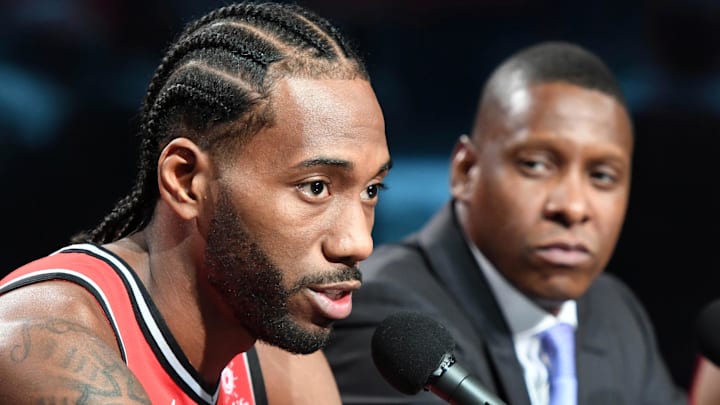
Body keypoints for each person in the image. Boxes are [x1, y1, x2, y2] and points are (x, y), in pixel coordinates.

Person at [0, 2, 391, 404]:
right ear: (186, 181)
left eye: (371, 190)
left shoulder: (276, 354)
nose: (358, 243)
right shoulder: (42, 344)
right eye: (315, 187)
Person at [325, 41, 687, 405]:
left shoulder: (615, 310)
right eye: (536, 165)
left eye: (603, 176)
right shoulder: (389, 319)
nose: (574, 207)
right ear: (466, 171)